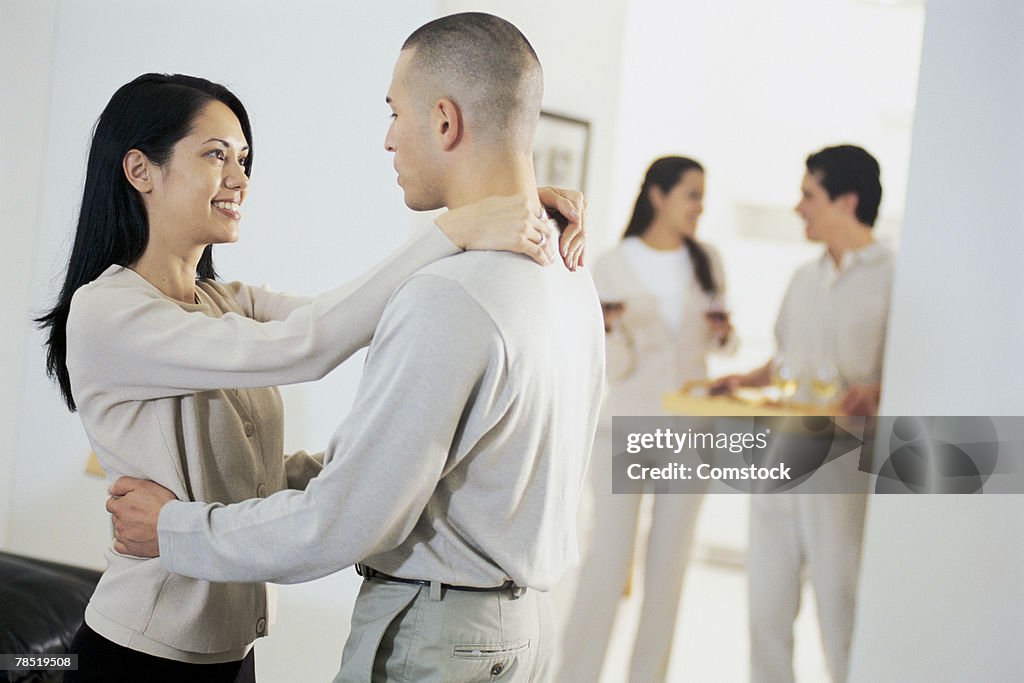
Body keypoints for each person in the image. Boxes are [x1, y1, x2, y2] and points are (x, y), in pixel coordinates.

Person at [37, 71, 587, 682]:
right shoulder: (107, 311)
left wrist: (509, 207)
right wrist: (456, 228)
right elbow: (309, 346)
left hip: (231, 649)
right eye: (216, 155)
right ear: (140, 170)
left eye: (243, 158)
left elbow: (372, 315)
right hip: (142, 648)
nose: (239, 178)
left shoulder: (226, 300)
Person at [710, 144, 893, 683]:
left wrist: (879, 390)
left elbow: (909, 373)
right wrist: (743, 381)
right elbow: (786, 360)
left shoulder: (894, 276)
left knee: (841, 613)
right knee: (766, 612)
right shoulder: (802, 278)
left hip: (842, 468)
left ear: (847, 200)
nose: (798, 208)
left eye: (808, 195)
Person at [558, 156, 735, 682]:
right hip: (625, 432)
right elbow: (610, 367)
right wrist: (611, 328)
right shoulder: (612, 264)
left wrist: (723, 332)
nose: (700, 207)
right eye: (692, 195)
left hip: (692, 432)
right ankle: (575, 675)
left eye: (703, 196)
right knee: (607, 567)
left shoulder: (709, 260)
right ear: (658, 196)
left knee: (669, 571)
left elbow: (723, 345)